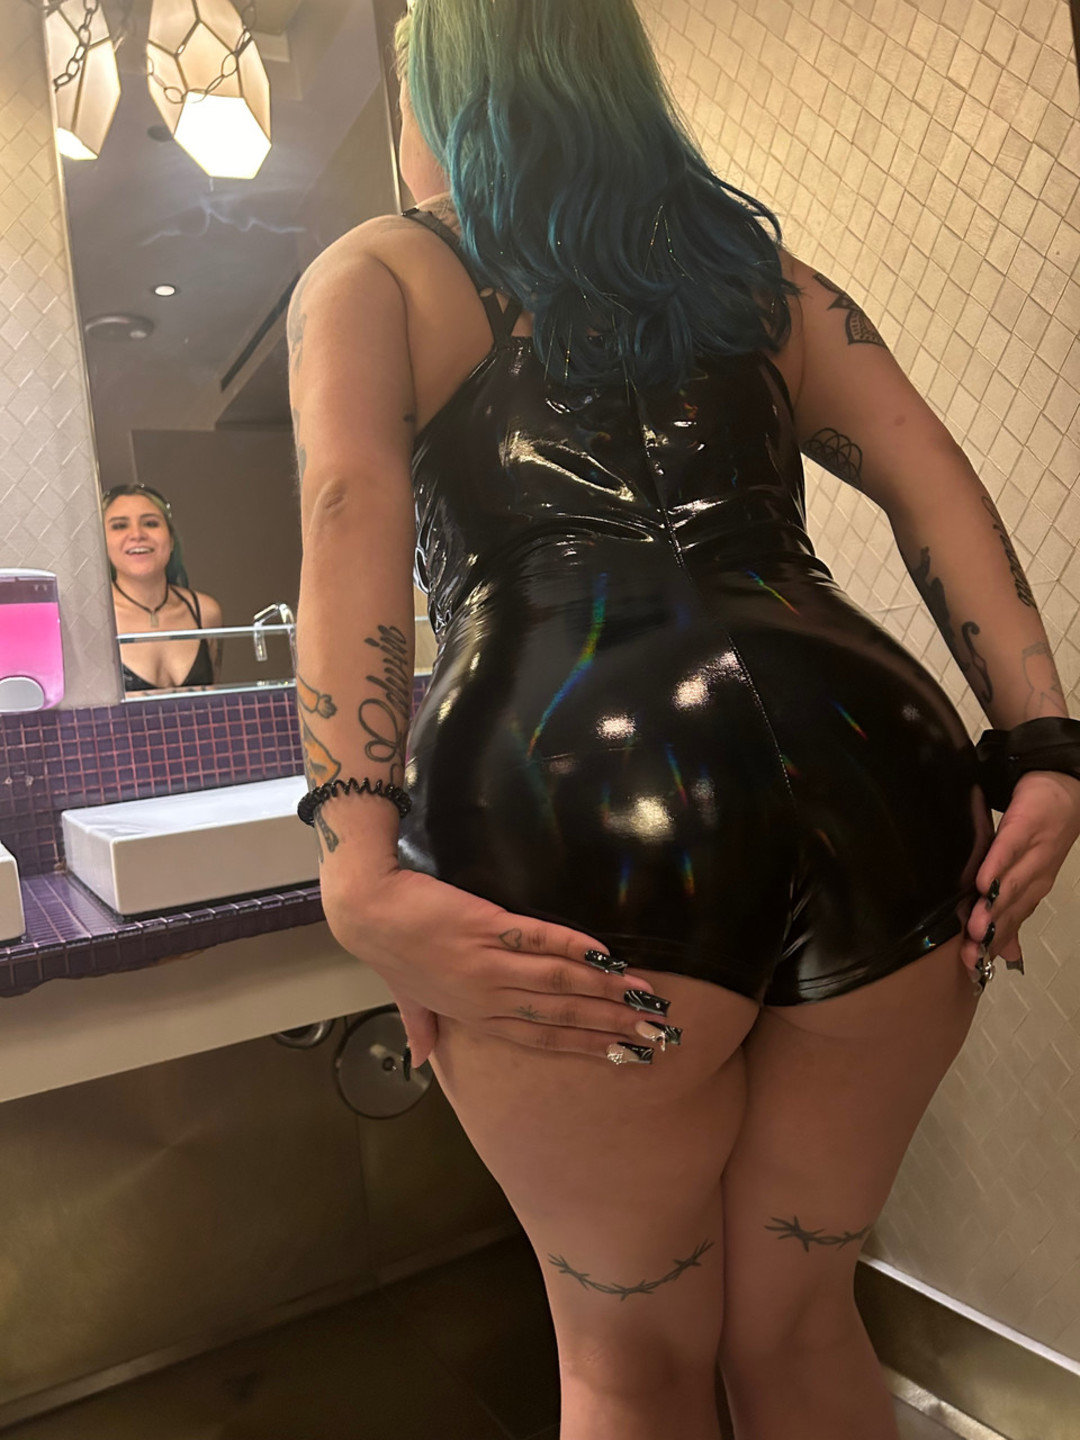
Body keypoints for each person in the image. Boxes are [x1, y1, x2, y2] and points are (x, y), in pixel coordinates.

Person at [288, 3, 1080, 1437]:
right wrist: (1046, 751)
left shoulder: (381, 273)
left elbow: (353, 512)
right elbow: (938, 484)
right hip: (877, 783)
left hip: (573, 801)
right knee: (802, 1321)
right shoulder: (761, 282)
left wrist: (356, 865)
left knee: (629, 1363)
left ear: (445, 90)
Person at [102, 485, 222, 692]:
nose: (137, 534)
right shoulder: (94, 620)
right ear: (101, 542)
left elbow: (216, 703)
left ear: (171, 539)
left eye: (150, 523)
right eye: (120, 526)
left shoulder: (205, 612)